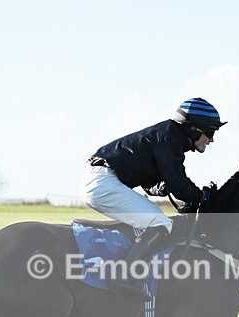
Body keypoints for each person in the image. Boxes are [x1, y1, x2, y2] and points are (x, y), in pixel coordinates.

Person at [80, 97, 226, 298]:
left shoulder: (168, 137)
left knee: (156, 219)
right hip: (103, 182)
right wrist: (202, 196)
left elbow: (153, 186)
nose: (211, 139)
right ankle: (123, 275)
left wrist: (169, 189)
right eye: (210, 132)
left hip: (103, 180)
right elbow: (178, 182)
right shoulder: (169, 138)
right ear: (194, 129)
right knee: (160, 223)